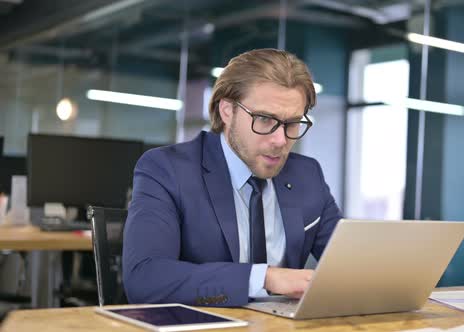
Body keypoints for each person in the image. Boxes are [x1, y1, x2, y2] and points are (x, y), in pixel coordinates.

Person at [123, 48, 342, 307]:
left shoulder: (307, 175)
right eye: (264, 119)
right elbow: (145, 279)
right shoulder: (167, 169)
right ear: (227, 111)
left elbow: (351, 265)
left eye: (292, 123)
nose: (280, 140)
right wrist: (265, 278)